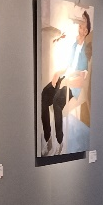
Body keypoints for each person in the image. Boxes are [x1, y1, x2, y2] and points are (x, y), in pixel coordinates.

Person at [40, 8, 91, 155]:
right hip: (65, 78)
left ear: (86, 30)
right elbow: (68, 65)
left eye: (83, 25)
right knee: (44, 94)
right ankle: (48, 139)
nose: (80, 27)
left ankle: (59, 141)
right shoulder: (74, 45)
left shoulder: (86, 50)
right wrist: (58, 73)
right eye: (79, 24)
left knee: (57, 102)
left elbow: (83, 74)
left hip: (73, 84)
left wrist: (70, 78)